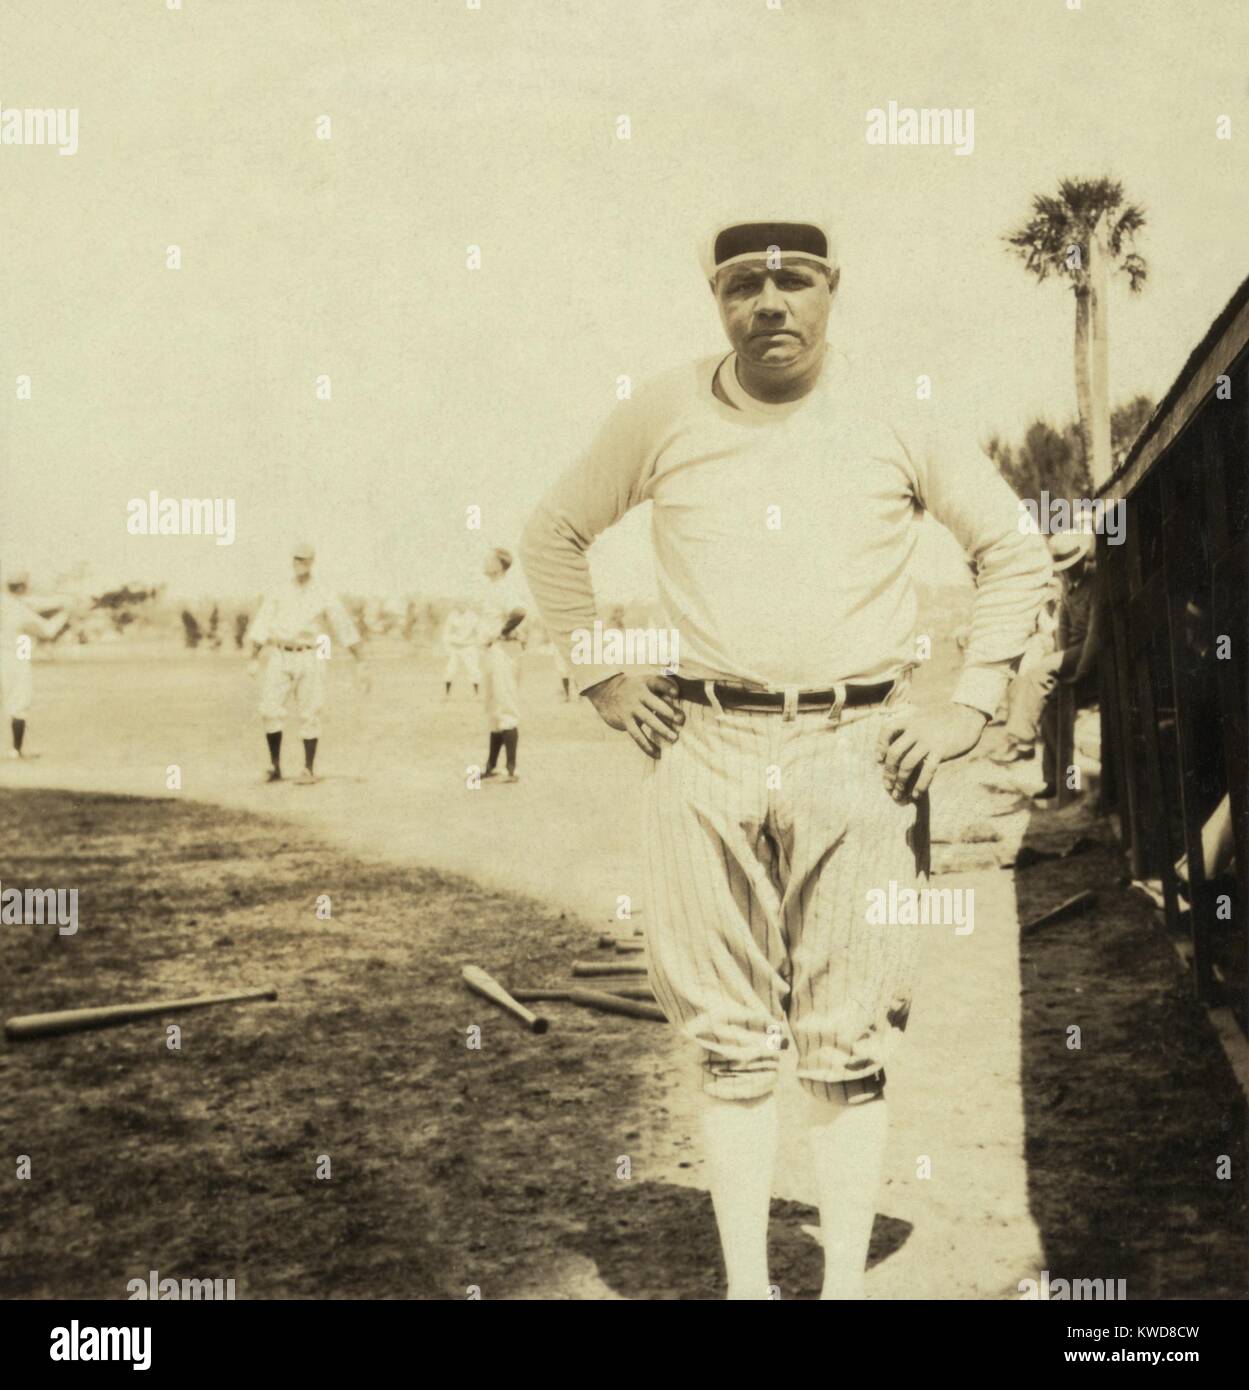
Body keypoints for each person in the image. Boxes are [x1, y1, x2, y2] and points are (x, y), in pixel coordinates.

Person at [521, 216, 1051, 1299]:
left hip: (859, 750)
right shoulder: (665, 407)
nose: (768, 302)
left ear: (830, 290)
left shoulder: (893, 411)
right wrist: (604, 677)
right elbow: (551, 533)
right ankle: (749, 1290)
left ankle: (842, 1288)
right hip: (702, 744)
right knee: (726, 1042)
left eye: (791, 280)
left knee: (846, 1042)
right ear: (715, 299)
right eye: (741, 286)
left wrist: (972, 705)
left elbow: (1011, 548)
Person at [247, 542, 368, 784]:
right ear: (291, 561)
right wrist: (253, 656)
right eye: (296, 559)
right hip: (280, 653)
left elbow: (342, 624)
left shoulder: (323, 591)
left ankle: (308, 769)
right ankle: (274, 766)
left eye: (304, 560)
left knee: (310, 710)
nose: (299, 564)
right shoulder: (279, 589)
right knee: (269, 709)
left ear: (312, 562)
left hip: (311, 653)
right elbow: (262, 622)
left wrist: (360, 660)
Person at [992, 529, 1096, 799]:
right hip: (1070, 656)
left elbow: (1096, 635)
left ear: (1083, 561)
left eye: (1072, 567)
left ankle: (1020, 739)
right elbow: (1062, 629)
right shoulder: (1068, 591)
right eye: (1065, 569)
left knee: (1038, 671)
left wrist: (1080, 670)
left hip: (1089, 654)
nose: (1069, 573)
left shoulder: (1095, 585)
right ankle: (1057, 782)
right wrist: (1062, 666)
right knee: (1051, 708)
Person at [1, 568, 69, 758]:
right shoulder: (21, 611)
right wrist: (65, 612)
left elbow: (33, 603)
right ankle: (16, 750)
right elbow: (48, 631)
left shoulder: (5, 602)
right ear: (23, 587)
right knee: (18, 702)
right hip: (16, 657)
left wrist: (60, 601)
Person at [477, 547, 526, 782]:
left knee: (506, 705)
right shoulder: (493, 588)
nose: (485, 562)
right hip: (491, 651)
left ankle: (512, 769)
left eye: (489, 558)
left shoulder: (505, 587)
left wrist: (501, 632)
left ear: (500, 564)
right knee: (493, 708)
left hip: (503, 652)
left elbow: (518, 612)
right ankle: (491, 766)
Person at [441, 607, 481, 696]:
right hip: (455, 646)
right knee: (450, 669)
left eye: (463, 602)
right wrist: (447, 645)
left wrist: (477, 645)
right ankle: (447, 694)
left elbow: (478, 632)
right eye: (459, 602)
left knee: (473, 669)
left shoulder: (473, 616)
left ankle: (476, 693)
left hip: (469, 646)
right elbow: (446, 632)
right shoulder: (452, 615)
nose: (461, 605)